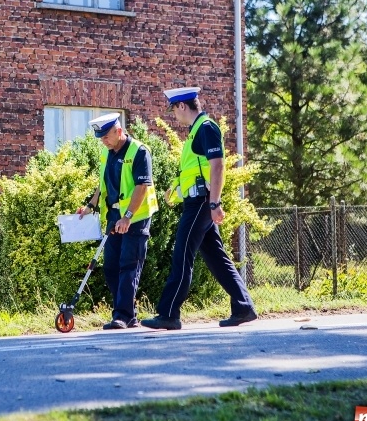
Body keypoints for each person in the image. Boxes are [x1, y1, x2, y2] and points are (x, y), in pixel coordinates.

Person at [141, 87, 257, 330]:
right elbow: (196, 169)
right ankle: (243, 307)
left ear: (182, 106)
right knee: (216, 257)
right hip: (199, 201)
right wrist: (176, 186)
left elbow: (218, 166)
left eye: (173, 109)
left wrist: (215, 203)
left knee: (182, 254)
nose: (174, 115)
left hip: (202, 203)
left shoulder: (206, 128)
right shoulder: (197, 131)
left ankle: (169, 313)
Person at [77, 113, 159, 329]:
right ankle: (128, 315)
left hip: (136, 218)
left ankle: (121, 315)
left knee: (128, 265)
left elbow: (142, 187)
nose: (103, 141)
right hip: (114, 217)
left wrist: (128, 217)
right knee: (111, 267)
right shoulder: (107, 153)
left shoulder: (139, 151)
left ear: (119, 131)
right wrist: (90, 206)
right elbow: (102, 185)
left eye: (106, 137)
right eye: (101, 138)